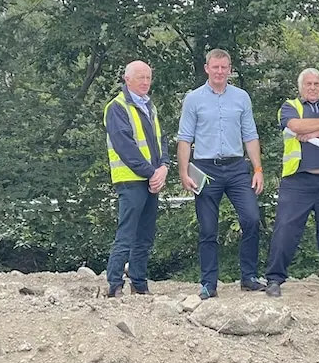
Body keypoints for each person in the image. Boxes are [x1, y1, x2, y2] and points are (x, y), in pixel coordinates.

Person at [177, 48, 266, 300]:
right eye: (215, 67)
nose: (219, 72)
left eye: (224, 67)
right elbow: (185, 138)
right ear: (207, 68)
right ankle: (209, 282)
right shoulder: (193, 99)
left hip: (237, 167)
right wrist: (184, 172)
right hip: (206, 168)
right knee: (207, 228)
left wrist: (257, 169)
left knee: (251, 218)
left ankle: (248, 276)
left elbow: (250, 135)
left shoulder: (241, 97)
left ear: (230, 69)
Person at [265, 68, 319, 297]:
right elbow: (296, 127)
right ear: (300, 87)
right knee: (286, 230)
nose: (312, 88)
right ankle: (274, 279)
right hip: (298, 180)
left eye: (316, 84)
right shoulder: (290, 106)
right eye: (308, 84)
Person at [104, 61, 170, 298]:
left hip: (151, 179)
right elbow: (126, 147)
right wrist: (152, 172)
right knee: (127, 232)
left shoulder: (149, 107)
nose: (145, 82)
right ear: (127, 79)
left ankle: (139, 283)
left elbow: (161, 140)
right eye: (140, 77)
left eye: (148, 78)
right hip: (130, 179)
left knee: (145, 234)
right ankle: (114, 284)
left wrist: (164, 166)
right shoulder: (117, 107)